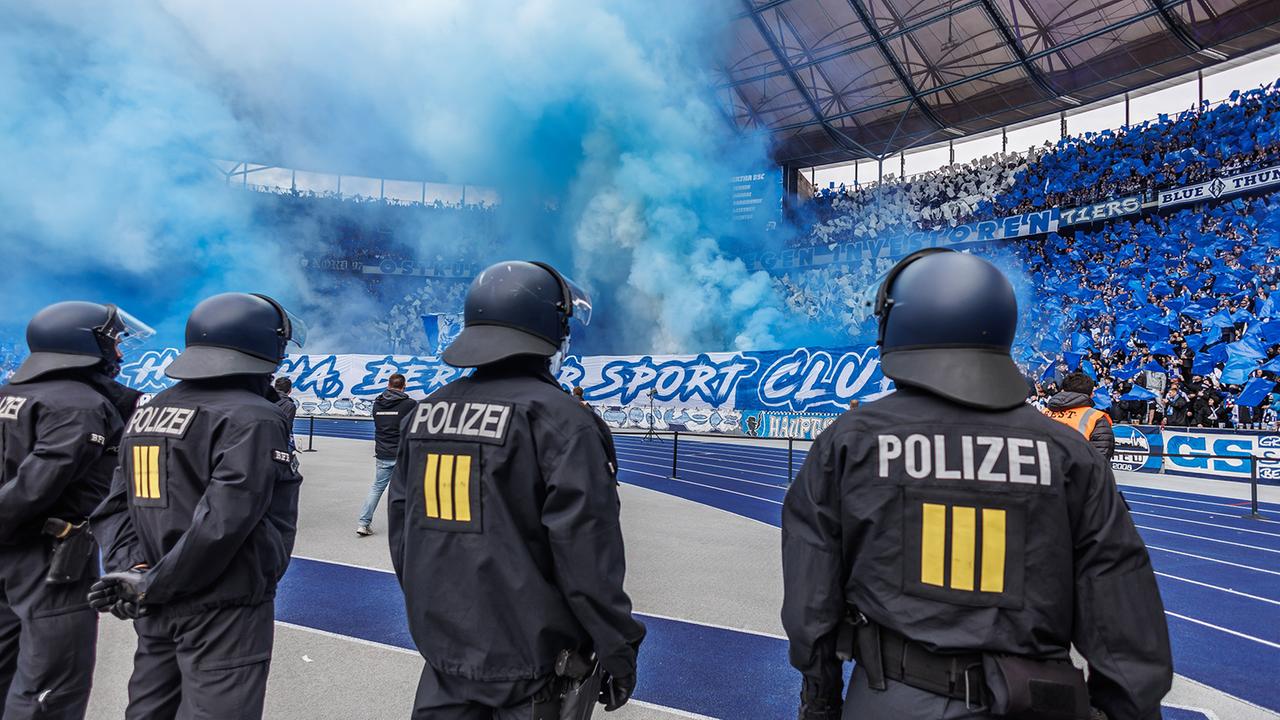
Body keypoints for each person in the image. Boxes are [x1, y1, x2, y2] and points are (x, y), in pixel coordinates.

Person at [782, 249, 1172, 720]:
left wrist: (821, 702)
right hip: (1038, 701)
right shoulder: (1071, 455)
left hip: (892, 696)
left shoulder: (849, 444)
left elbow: (812, 601)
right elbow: (1124, 620)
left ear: (898, 325)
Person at [388, 260, 645, 718]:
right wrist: (617, 648)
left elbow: (403, 537)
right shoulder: (563, 422)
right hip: (532, 671)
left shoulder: (424, 415)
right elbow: (587, 557)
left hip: (444, 658)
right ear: (549, 329)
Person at [88, 293, 306, 720]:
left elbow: (114, 507)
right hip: (223, 606)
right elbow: (223, 523)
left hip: (152, 594)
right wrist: (153, 583)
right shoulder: (256, 418)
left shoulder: (149, 411)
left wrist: (135, 573)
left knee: (149, 709)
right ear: (263, 345)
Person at [0, 301, 151, 719]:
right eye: (113, 342)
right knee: (53, 681)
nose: (119, 353)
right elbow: (34, 488)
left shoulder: (10, 393)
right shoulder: (82, 405)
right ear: (84, 345)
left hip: (11, 553)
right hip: (49, 558)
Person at [356, 373, 416, 537]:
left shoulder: (377, 403)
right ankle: (410, 526)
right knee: (409, 489)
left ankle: (363, 523)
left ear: (389, 385)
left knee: (377, 488)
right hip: (403, 454)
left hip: (383, 453)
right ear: (404, 386)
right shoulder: (409, 404)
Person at [1042, 372, 1116, 460]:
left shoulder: (1042, 412)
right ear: (1091, 394)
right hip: (1075, 471)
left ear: (1063, 390)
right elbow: (1100, 460)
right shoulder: (1095, 418)